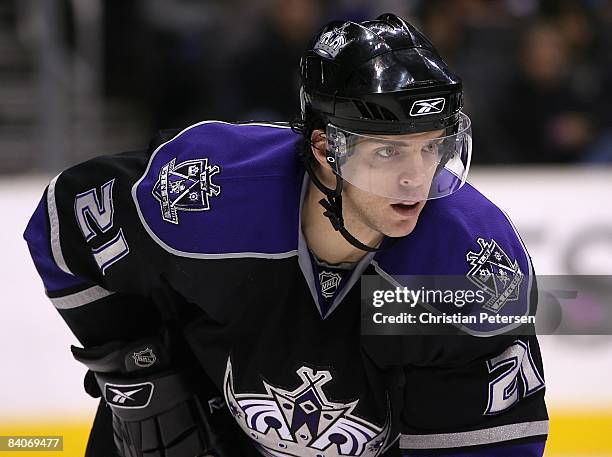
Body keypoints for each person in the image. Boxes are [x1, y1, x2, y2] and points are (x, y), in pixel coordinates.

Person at [24, 13, 548, 457]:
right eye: (389, 152)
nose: (417, 177)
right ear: (325, 148)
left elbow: (488, 441)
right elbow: (65, 223)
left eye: (432, 147)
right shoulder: (212, 195)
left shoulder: (464, 263)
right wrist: (136, 368)